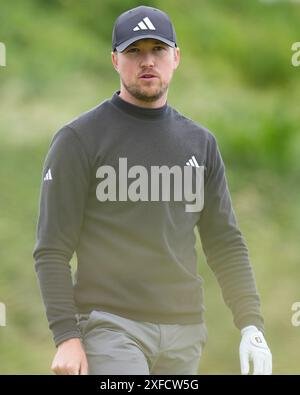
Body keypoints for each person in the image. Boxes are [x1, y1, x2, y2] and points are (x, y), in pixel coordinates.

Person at [33, 5, 272, 375]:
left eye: (157, 50)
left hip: (186, 333)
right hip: (110, 328)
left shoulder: (201, 144)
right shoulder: (79, 140)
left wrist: (251, 325)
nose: (147, 61)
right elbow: (51, 249)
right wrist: (66, 336)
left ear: (176, 57)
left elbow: (225, 242)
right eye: (134, 51)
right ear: (115, 60)